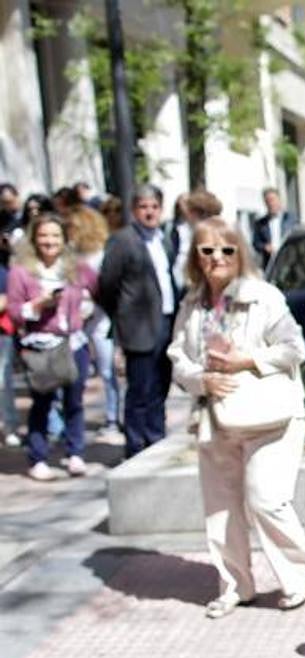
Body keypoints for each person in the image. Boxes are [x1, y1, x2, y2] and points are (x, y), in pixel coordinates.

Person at [168, 216, 305, 618]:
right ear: (195, 256)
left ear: (240, 253)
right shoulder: (191, 303)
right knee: (221, 509)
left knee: (266, 500)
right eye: (207, 250)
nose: (217, 257)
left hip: (271, 417)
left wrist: (246, 360)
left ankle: (301, 573)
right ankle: (235, 585)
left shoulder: (263, 296)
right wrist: (201, 380)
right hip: (216, 417)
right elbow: (177, 357)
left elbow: (295, 348)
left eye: (226, 249)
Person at [5, 213, 97, 480]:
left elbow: (96, 291)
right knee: (42, 402)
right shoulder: (21, 272)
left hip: (74, 343)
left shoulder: (77, 268)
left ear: (64, 239)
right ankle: (38, 457)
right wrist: (38, 305)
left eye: (55, 235)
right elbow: (14, 312)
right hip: (41, 346)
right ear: (34, 239)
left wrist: (86, 309)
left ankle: (76, 452)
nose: (50, 241)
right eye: (44, 235)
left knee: (74, 401)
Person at [98, 185, 178, 458]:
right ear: (134, 210)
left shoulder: (164, 239)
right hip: (139, 327)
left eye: (154, 206)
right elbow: (107, 284)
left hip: (166, 322)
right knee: (140, 390)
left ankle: (156, 439)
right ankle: (135, 446)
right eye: (143, 207)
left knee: (160, 387)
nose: (149, 212)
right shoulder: (123, 241)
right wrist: (123, 315)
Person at [65, 203, 119, 435]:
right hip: (74, 321)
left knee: (107, 370)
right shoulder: (68, 255)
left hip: (100, 316)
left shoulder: (101, 254)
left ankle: (112, 416)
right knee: (72, 370)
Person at [0, 262, 20, 447]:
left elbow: (5, 300)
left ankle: (9, 427)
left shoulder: (3, 272)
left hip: (2, 335)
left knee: (3, 384)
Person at [251, 187, 294, 269]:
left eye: (272, 200)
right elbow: (256, 243)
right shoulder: (260, 224)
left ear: (279, 200)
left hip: (290, 262)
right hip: (271, 264)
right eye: (267, 201)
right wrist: (265, 247)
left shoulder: (291, 219)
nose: (271, 203)